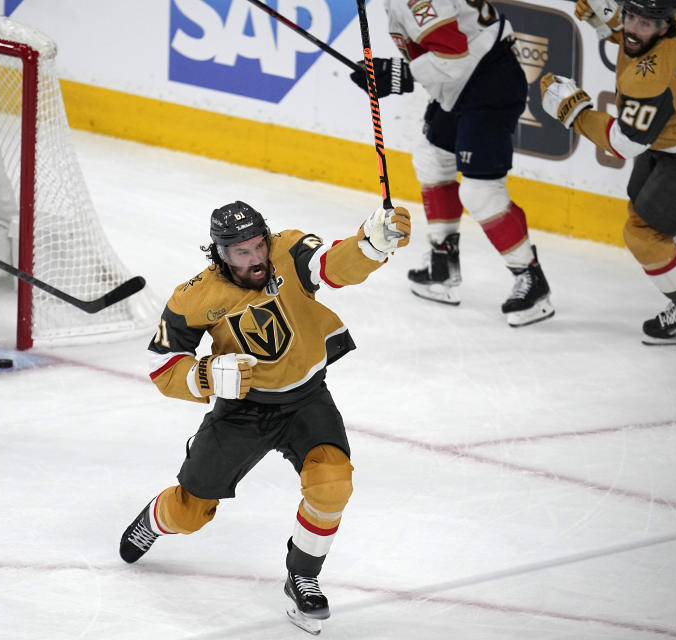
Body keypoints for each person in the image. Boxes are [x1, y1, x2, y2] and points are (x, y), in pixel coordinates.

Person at [119, 200, 411, 633]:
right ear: (220, 252)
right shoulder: (194, 297)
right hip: (242, 410)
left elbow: (332, 266)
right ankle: (155, 519)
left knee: (332, 483)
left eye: (258, 245)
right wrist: (206, 374)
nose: (256, 257)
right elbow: (163, 367)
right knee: (190, 513)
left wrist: (371, 244)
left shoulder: (288, 250)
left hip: (306, 398)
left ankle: (303, 575)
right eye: (242, 251)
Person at [351, 0, 555, 327]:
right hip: (463, 82)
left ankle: (531, 280)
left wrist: (397, 74)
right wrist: (388, 73)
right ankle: (443, 265)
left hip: (488, 84)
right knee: (432, 160)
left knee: (481, 192)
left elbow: (453, 51)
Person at [540, 0, 676, 344]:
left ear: (665, 27)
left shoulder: (652, 76)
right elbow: (635, 36)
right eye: (630, 15)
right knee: (647, 213)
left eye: (645, 23)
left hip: (671, 150)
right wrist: (607, 22)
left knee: (643, 234)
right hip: (667, 145)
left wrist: (574, 112)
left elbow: (626, 143)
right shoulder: (667, 27)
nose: (632, 27)